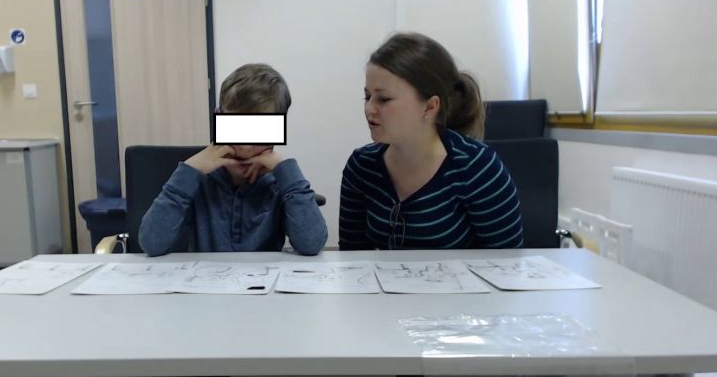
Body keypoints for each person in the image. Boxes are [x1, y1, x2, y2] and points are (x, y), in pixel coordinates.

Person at [339, 32, 523, 250]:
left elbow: (506, 262)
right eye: (367, 96)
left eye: (384, 99)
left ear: (430, 106)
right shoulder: (361, 166)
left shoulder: (476, 167)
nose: (369, 109)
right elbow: (353, 257)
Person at [140, 63, 328, 256]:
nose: (246, 147)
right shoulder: (198, 179)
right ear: (218, 117)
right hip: (206, 274)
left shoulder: (280, 181)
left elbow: (312, 243)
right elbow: (152, 243)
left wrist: (286, 171)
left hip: (266, 275)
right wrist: (189, 170)